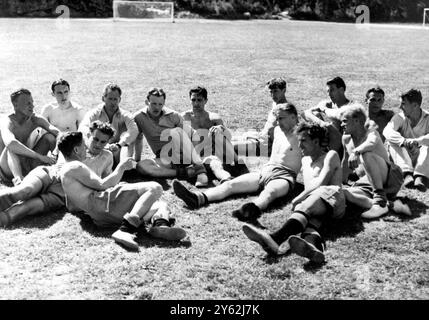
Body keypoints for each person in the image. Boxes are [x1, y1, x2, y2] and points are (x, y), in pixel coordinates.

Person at [57, 131, 187, 251]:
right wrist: (121, 167)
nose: (86, 148)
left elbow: (71, 207)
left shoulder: (64, 171)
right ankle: (126, 229)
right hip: (103, 203)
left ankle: (160, 225)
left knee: (159, 204)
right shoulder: (76, 166)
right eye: (83, 146)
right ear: (76, 149)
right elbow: (103, 185)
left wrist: (88, 211)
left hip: (102, 216)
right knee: (154, 188)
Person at [172, 103, 302, 223]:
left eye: (282, 118)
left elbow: (315, 156)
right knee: (230, 184)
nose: (278, 122)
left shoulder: (303, 135)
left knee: (270, 192)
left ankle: (252, 210)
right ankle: (197, 198)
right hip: (266, 171)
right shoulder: (278, 130)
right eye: (277, 119)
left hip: (284, 175)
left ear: (293, 117)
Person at [242, 121, 344, 264]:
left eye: (303, 141)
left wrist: (299, 198)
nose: (299, 145)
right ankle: (314, 248)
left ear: (316, 141)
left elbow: (321, 183)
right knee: (311, 224)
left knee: (307, 204)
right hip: (319, 208)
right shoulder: (305, 161)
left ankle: (275, 239)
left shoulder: (330, 155)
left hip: (333, 198)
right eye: (299, 140)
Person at [0, 121, 116, 227]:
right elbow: (62, 164)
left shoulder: (107, 156)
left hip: (63, 194)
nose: (98, 144)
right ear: (89, 135)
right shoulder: (74, 143)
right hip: (50, 175)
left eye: (103, 142)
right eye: (95, 139)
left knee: (24, 209)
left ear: (108, 142)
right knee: (24, 191)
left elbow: (106, 183)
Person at [339, 104, 408, 219]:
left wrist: (356, 152)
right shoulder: (346, 138)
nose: (341, 124)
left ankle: (380, 200)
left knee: (365, 154)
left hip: (391, 178)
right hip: (367, 182)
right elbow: (346, 163)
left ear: (357, 121)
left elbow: (370, 143)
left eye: (345, 121)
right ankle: (391, 205)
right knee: (344, 193)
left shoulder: (371, 132)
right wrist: (340, 184)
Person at [133, 87, 209, 187]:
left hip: (184, 154)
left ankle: (200, 171)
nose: (157, 107)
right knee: (141, 166)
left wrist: (194, 157)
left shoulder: (174, 115)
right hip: (164, 158)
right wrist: (137, 159)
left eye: (160, 104)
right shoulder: (138, 117)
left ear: (164, 103)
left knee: (177, 132)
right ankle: (185, 172)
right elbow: (138, 138)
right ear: (147, 102)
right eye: (153, 104)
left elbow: (194, 135)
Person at [181, 86, 248, 183]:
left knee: (218, 132)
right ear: (190, 100)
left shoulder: (213, 118)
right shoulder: (185, 117)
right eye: (193, 100)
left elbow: (228, 138)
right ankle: (223, 175)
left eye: (199, 100)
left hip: (215, 151)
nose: (196, 103)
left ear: (206, 101)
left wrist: (220, 129)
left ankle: (239, 163)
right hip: (196, 153)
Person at [0, 88, 59, 186]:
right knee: (11, 148)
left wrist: (57, 150)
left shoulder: (35, 119)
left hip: (28, 164)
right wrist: (40, 157)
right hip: (7, 169)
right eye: (27, 103)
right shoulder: (8, 122)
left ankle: (59, 168)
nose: (32, 106)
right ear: (15, 105)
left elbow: (57, 132)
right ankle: (18, 181)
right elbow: (11, 144)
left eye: (32, 102)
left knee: (50, 137)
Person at [79, 83, 138, 166]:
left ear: (119, 99)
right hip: (100, 148)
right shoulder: (93, 113)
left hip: (118, 150)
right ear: (103, 98)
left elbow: (134, 130)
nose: (113, 102)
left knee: (129, 139)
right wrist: (93, 137)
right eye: (110, 99)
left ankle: (122, 166)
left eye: (115, 99)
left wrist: (119, 145)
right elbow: (83, 127)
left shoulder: (126, 115)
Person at [383, 89, 429, 191]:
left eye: (403, 104)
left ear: (415, 105)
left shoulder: (427, 117)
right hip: (403, 157)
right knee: (393, 143)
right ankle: (407, 174)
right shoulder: (400, 117)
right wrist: (403, 141)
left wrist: (417, 141)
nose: (400, 107)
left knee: (427, 147)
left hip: (422, 159)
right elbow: (387, 131)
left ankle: (419, 177)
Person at [233, 78, 288, 158]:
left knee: (231, 146)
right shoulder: (276, 103)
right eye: (271, 92)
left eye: (276, 91)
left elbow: (288, 133)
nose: (273, 95)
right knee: (229, 139)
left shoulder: (285, 110)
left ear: (284, 90)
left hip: (265, 145)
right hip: (259, 137)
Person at [302, 76, 352, 153]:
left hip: (343, 145)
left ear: (341, 90)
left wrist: (325, 115)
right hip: (328, 141)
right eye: (328, 91)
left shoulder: (351, 106)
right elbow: (305, 113)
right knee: (315, 114)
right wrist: (321, 123)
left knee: (329, 125)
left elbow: (339, 115)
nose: (329, 94)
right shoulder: (327, 104)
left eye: (332, 90)